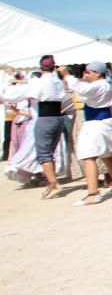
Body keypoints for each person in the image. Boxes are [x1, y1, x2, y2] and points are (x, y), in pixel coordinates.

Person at [1, 55, 68, 198]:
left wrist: (11, 78)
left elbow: (11, 94)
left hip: (45, 118)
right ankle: (49, 179)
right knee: (50, 151)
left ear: (41, 67)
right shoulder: (58, 81)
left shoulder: (39, 82)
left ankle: (53, 184)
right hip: (58, 118)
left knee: (44, 153)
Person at [61, 62, 112, 206]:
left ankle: (92, 193)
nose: (85, 75)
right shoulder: (106, 83)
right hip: (102, 122)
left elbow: (81, 89)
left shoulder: (100, 84)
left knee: (88, 156)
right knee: (106, 155)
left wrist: (67, 75)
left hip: (97, 124)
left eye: (88, 72)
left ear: (97, 73)